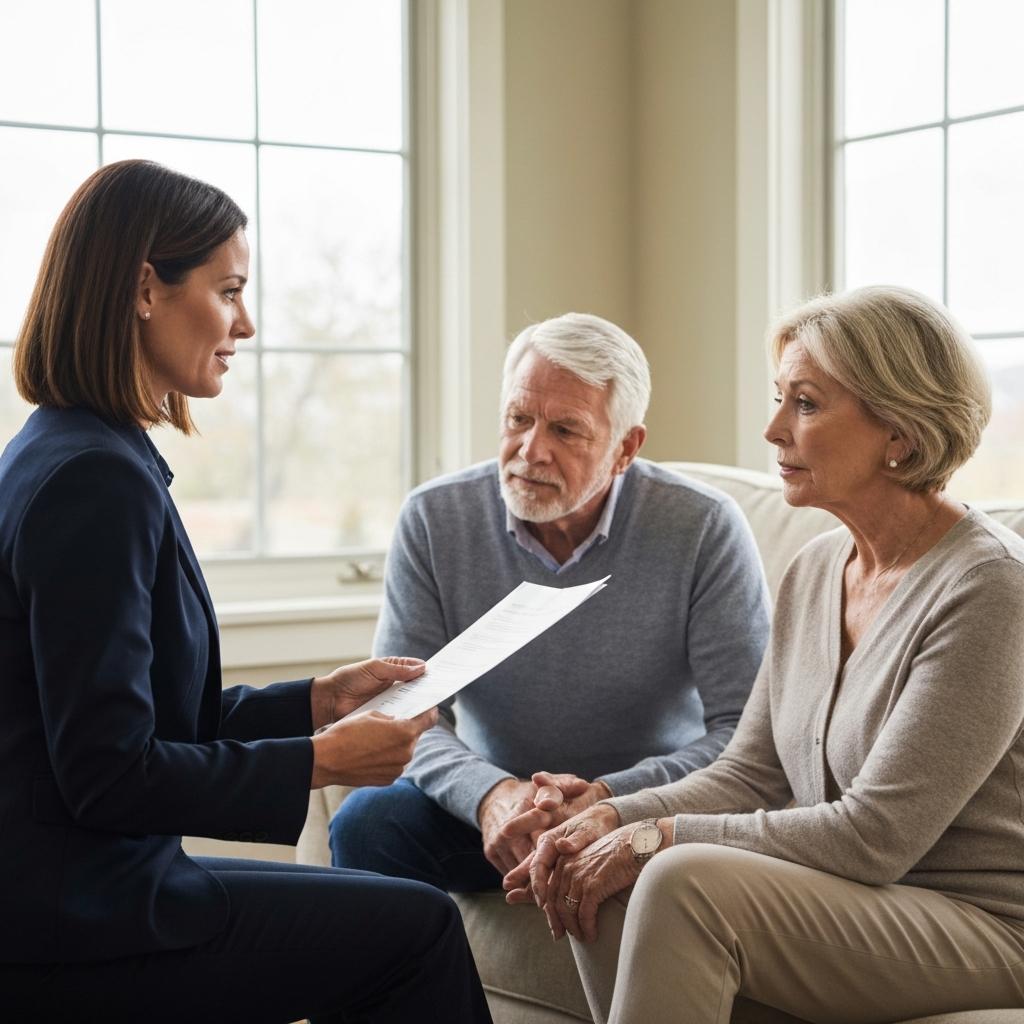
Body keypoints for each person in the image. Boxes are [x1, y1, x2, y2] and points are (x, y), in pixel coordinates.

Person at [0, 160, 492, 1024]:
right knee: (417, 931)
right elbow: (109, 776)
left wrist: (317, 702)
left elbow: (135, 722)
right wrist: (324, 762)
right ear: (144, 288)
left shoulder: (69, 450)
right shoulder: (95, 481)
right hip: (71, 928)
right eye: (228, 291)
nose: (248, 324)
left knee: (393, 920)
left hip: (78, 895)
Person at [504, 285, 1024, 1024]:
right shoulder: (816, 569)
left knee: (676, 877)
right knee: (606, 870)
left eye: (805, 404)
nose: (773, 429)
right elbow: (751, 773)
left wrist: (656, 836)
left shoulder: (992, 588)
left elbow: (874, 838)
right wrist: (608, 816)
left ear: (901, 435)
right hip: (852, 901)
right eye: (780, 399)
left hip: (981, 924)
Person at [330, 312, 770, 893]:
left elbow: (745, 732)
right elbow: (402, 711)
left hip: (645, 810)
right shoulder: (435, 518)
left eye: (565, 430)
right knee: (368, 824)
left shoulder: (703, 526)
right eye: (518, 419)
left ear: (625, 448)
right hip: (497, 808)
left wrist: (608, 800)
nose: (531, 450)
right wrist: (490, 795)